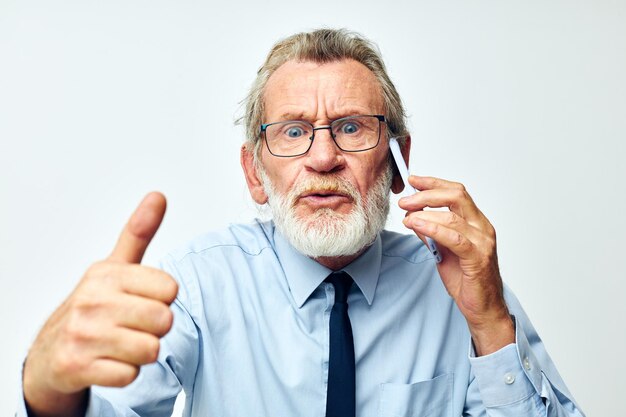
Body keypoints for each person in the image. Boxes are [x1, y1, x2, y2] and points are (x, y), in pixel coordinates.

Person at [18, 29, 585, 417]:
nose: (322, 159)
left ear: (396, 160)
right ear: (255, 174)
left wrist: (489, 324)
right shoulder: (196, 287)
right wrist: (48, 393)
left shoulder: (460, 286)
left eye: (351, 127)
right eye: (292, 131)